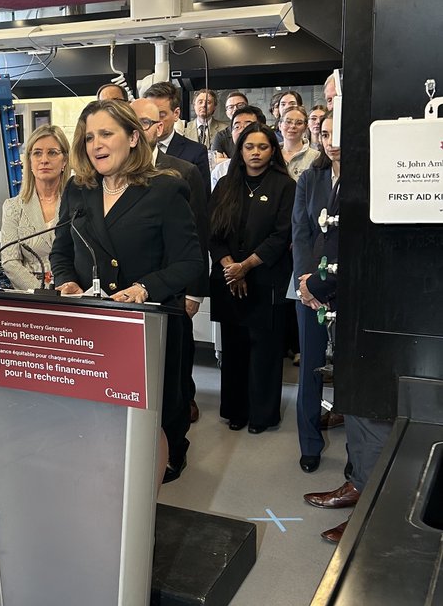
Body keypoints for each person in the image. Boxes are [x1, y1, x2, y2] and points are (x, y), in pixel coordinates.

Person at [50, 100, 203, 484]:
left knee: (158, 419)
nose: (96, 144)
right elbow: (61, 250)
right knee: (105, 417)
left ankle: (162, 468)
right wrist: (65, 281)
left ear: (134, 138)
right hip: (98, 325)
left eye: (106, 134)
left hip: (151, 325)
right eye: (89, 137)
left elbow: (191, 263)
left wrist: (144, 288)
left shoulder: (165, 190)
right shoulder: (78, 190)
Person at [297, 148, 391, 544]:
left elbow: (359, 245)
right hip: (340, 303)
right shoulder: (332, 172)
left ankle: (375, 512)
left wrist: (315, 286)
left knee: (373, 411)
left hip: (373, 309)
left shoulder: (379, 164)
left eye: (336, 103)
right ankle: (357, 483)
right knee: (353, 404)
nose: (329, 122)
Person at [209, 123, 295, 433]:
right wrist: (231, 266)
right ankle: (236, 410)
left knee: (265, 351)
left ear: (273, 151)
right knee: (234, 349)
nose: (255, 152)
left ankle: (262, 415)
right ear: (240, 151)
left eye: (262, 147)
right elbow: (212, 232)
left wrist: (246, 266)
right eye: (249, 147)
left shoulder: (285, 186)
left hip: (266, 278)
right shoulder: (225, 185)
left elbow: (281, 235)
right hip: (228, 278)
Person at [134, 96, 210, 434]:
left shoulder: (182, 170)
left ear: (159, 127)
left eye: (146, 123)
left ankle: (175, 444)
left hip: (173, 292)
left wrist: (195, 292)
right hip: (129, 293)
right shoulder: (111, 176)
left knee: (174, 367)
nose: (137, 129)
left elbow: (200, 234)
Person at [292, 112, 337, 474]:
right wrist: (306, 283)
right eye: (323, 133)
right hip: (309, 290)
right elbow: (300, 232)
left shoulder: (367, 175)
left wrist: (323, 284)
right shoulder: (310, 177)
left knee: (351, 368)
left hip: (345, 287)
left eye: (335, 132)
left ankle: (361, 451)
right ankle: (309, 442)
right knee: (309, 367)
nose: (329, 140)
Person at [0, 124, 70, 291]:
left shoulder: (79, 204)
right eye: (37, 153)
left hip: (72, 294)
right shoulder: (13, 207)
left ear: (65, 161)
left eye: (52, 152)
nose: (44, 160)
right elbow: (10, 262)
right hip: (31, 298)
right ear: (29, 161)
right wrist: (42, 292)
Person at [143, 81, 210, 195]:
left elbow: (200, 204)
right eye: (149, 115)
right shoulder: (132, 150)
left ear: (176, 114)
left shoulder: (196, 153)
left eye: (161, 115)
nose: (153, 121)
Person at [210, 104, 266, 188]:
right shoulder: (221, 171)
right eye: (237, 126)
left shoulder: (274, 171)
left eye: (248, 125)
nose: (241, 130)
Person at [278, 106, 319, 180]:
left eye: (299, 123)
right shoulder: (272, 154)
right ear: (280, 125)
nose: (293, 126)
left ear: (306, 127)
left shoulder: (315, 157)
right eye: (288, 122)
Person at [211, 92, 248, 159]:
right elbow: (216, 161)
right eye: (231, 107)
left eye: (240, 105)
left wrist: (226, 161)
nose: (235, 109)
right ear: (227, 113)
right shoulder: (221, 136)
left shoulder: (257, 130)